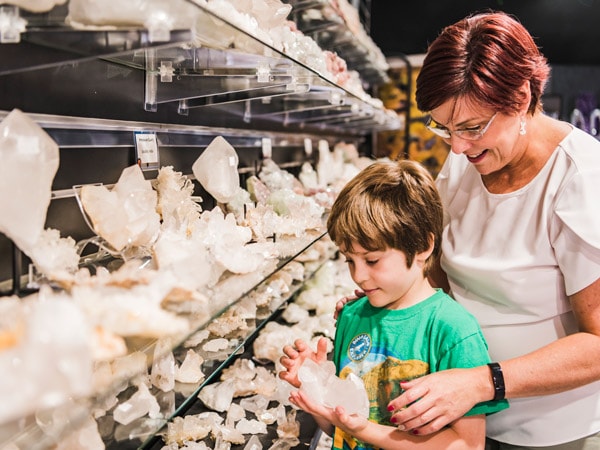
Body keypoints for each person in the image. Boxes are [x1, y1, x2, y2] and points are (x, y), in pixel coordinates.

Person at [333, 11, 600, 450]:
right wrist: (390, 296)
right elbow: (438, 268)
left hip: (553, 430)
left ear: (521, 97)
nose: (457, 146)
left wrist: (483, 382)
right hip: (453, 417)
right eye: (443, 127)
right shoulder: (468, 157)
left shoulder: (578, 178)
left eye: (472, 128)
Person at [279, 160, 508, 450]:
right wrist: (315, 386)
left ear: (422, 247)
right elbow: (340, 427)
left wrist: (367, 430)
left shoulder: (453, 330)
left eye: (372, 260)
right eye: (350, 260)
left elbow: (467, 445)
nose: (359, 275)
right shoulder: (352, 315)